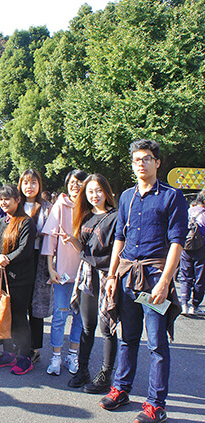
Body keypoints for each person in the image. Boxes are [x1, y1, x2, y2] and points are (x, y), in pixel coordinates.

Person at [99, 139, 187, 423]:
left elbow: (177, 243)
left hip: (153, 277)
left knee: (157, 343)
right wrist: (112, 275)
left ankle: (156, 404)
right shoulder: (126, 196)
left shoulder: (172, 197)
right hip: (126, 275)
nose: (141, 163)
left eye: (147, 158)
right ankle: (121, 389)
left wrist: (165, 281)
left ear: (157, 163)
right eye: (137, 159)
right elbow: (119, 239)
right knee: (128, 337)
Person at [55, 174, 118, 394]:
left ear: (107, 192)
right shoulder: (86, 215)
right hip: (87, 275)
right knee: (87, 325)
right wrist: (73, 241)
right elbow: (85, 248)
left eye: (98, 190)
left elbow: (116, 250)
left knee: (107, 326)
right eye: (90, 191)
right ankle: (83, 370)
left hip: (106, 276)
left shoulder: (116, 217)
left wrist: (112, 276)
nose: (94, 195)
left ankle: (105, 375)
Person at [41, 169, 88, 376]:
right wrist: (51, 268)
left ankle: (72, 355)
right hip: (62, 273)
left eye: (79, 182)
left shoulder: (89, 206)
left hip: (85, 272)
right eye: (72, 182)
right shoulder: (60, 204)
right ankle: (56, 357)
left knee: (79, 317)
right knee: (60, 315)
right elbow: (50, 238)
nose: (75, 185)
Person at [0, 184, 37, 375]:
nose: (4, 202)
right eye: (1, 199)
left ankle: (25, 356)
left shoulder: (26, 222)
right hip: (1, 276)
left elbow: (24, 250)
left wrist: (5, 259)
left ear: (18, 200)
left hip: (21, 279)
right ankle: (8, 353)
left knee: (18, 318)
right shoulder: (1, 221)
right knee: (4, 316)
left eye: (8, 198)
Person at [19, 169, 52, 364]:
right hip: (19, 259)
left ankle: (35, 348)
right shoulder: (16, 205)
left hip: (39, 259)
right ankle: (20, 345)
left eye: (33, 182)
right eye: (25, 182)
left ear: (39, 185)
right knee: (20, 305)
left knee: (36, 307)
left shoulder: (48, 207)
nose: (29, 186)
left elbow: (51, 236)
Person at [178, 189, 205, 315]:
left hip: (186, 248)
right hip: (201, 249)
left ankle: (184, 304)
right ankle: (195, 306)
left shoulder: (187, 211)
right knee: (200, 278)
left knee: (185, 276)